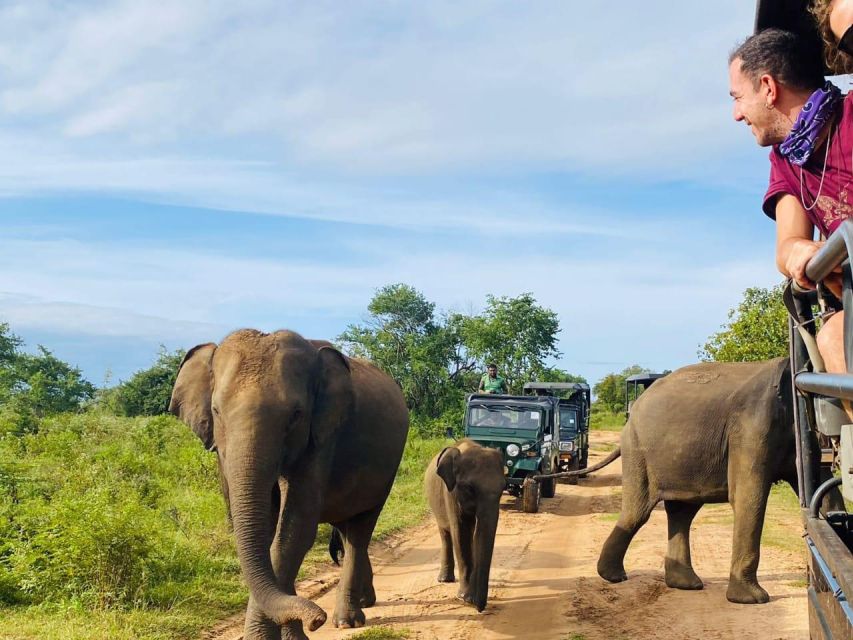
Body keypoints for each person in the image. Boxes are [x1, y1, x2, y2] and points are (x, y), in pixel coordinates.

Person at [728, 29, 850, 379]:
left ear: (768, 87)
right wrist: (800, 250)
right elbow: (787, 247)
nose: (736, 114)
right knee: (834, 335)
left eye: (737, 97)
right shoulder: (786, 159)